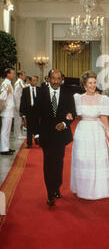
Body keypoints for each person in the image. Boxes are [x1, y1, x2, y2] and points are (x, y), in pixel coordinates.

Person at [71, 71, 109, 200]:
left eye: (94, 82)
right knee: (83, 159)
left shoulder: (103, 99)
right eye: (90, 83)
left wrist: (108, 135)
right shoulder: (78, 98)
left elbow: (104, 119)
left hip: (97, 132)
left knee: (97, 160)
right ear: (84, 84)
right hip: (82, 131)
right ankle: (83, 189)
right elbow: (73, 115)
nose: (93, 85)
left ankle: (99, 190)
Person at [34, 69, 76, 206]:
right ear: (48, 79)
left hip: (61, 136)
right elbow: (35, 115)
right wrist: (37, 134)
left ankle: (57, 186)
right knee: (48, 164)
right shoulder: (41, 93)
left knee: (58, 163)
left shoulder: (68, 94)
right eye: (53, 78)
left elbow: (72, 113)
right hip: (46, 135)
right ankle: (50, 193)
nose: (56, 81)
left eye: (58, 78)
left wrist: (64, 123)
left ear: (62, 79)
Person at [20, 76, 40, 148]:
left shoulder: (39, 89)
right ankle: (29, 143)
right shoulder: (25, 90)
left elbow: (42, 101)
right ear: (30, 81)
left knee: (37, 125)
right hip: (28, 110)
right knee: (29, 127)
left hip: (37, 110)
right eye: (33, 80)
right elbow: (23, 101)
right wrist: (22, 111)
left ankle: (37, 140)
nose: (35, 82)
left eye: (36, 81)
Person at [0, 68, 16, 155]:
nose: (14, 75)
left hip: (9, 111)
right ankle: (3, 149)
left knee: (7, 131)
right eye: (12, 73)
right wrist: (3, 108)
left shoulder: (9, 83)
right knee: (5, 131)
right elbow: (2, 97)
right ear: (8, 74)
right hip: (6, 111)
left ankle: (6, 147)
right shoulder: (5, 84)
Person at [13, 71, 26, 139]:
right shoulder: (20, 82)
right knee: (18, 119)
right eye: (24, 75)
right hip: (18, 103)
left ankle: (17, 134)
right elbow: (16, 95)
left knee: (18, 119)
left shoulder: (19, 82)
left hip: (17, 103)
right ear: (20, 75)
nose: (25, 76)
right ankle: (18, 134)